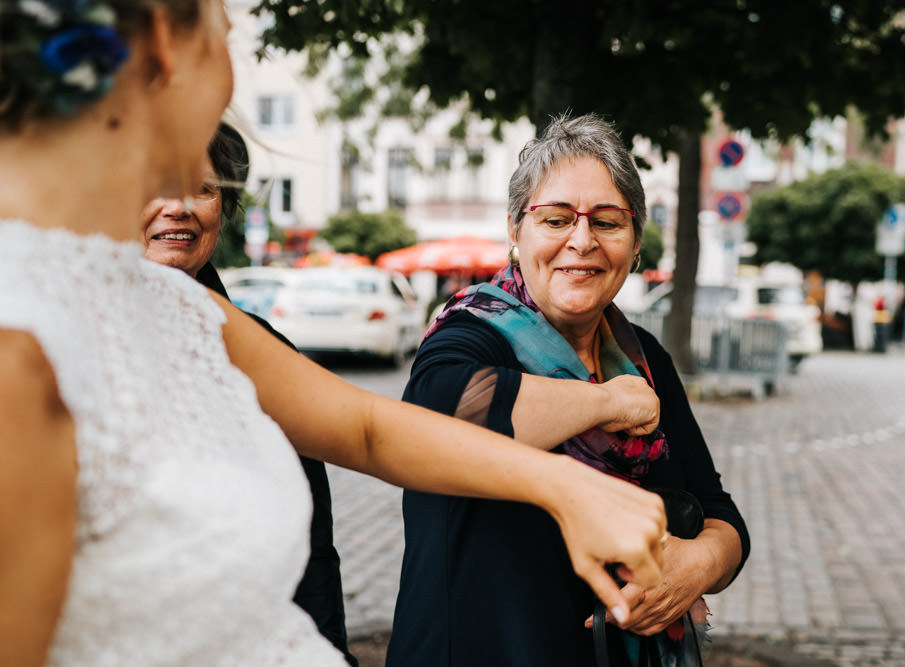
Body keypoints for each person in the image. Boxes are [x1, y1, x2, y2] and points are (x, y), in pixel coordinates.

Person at [0, 3, 670, 666]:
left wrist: (563, 485)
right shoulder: (21, 354)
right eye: (225, 40)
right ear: (167, 55)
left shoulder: (162, 302)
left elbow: (366, 429)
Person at [387, 113, 751, 667]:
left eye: (607, 222)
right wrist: (606, 402)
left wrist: (697, 564)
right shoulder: (473, 337)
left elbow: (721, 514)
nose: (581, 241)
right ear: (515, 232)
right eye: (555, 220)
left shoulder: (643, 358)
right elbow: (441, 411)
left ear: (634, 246)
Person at [140, 121, 358, 665]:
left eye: (204, 189)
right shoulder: (47, 341)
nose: (179, 207)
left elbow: (310, 542)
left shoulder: (263, 350)